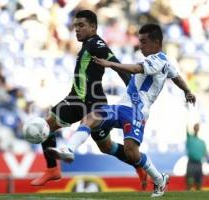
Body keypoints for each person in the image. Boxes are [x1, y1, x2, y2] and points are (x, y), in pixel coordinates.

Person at [47, 24, 196, 197]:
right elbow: (176, 77)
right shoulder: (166, 63)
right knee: (90, 117)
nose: (140, 45)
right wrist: (188, 91)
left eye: (144, 41)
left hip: (136, 112)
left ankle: (160, 179)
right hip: (121, 107)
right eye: (140, 41)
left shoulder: (157, 60)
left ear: (156, 42)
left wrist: (110, 64)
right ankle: (69, 149)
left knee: (131, 153)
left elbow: (135, 69)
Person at [31, 10, 149, 188]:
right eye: (75, 26)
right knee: (47, 126)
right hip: (78, 100)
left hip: (91, 101)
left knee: (106, 147)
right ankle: (52, 169)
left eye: (81, 26)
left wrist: (134, 95)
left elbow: (118, 66)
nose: (76, 29)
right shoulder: (87, 44)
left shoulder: (97, 44)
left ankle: (138, 163)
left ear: (93, 27)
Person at [185, 123, 209, 191]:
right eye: (196, 127)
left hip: (199, 163)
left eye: (197, 127)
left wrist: (208, 159)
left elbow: (205, 152)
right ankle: (188, 194)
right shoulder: (190, 138)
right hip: (191, 162)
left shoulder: (202, 142)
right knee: (190, 181)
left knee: (199, 182)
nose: (196, 128)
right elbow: (186, 129)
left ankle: (198, 194)